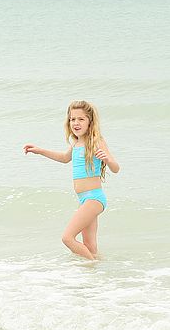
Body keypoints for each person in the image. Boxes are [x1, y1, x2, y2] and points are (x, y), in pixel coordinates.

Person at [24, 100, 120, 260]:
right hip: (84, 199)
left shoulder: (96, 141)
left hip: (94, 198)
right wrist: (40, 151)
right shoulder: (76, 143)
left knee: (67, 238)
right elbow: (63, 158)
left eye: (81, 119)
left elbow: (116, 168)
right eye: (72, 119)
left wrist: (108, 160)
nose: (76, 122)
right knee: (90, 246)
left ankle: (92, 265)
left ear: (90, 121)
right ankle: (97, 277)